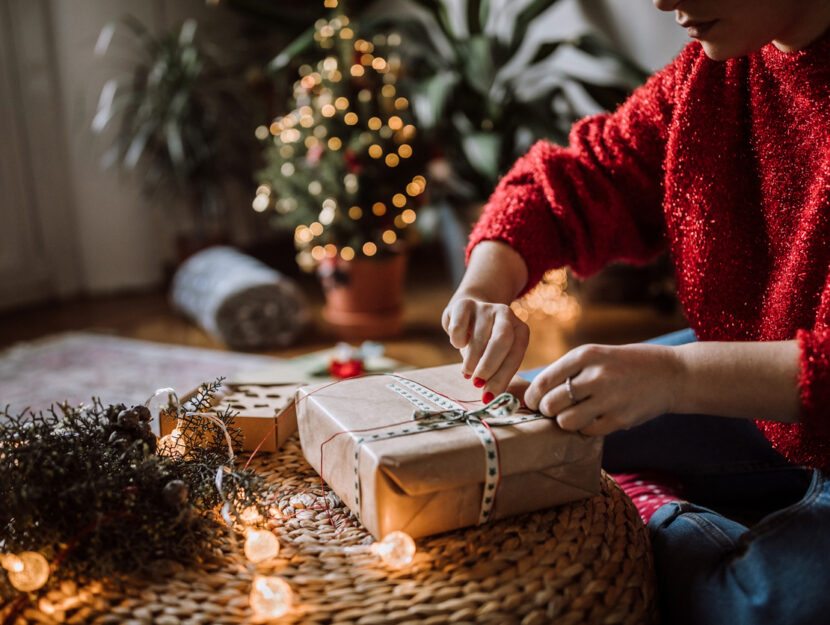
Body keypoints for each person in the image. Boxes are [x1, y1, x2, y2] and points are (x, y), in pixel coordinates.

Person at [441, 1, 830, 623]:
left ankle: (649, 516)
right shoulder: (712, 75)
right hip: (766, 406)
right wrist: (485, 285)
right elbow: (579, 179)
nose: (662, 0)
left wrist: (674, 379)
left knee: (765, 606)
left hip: (792, 397)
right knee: (542, 421)